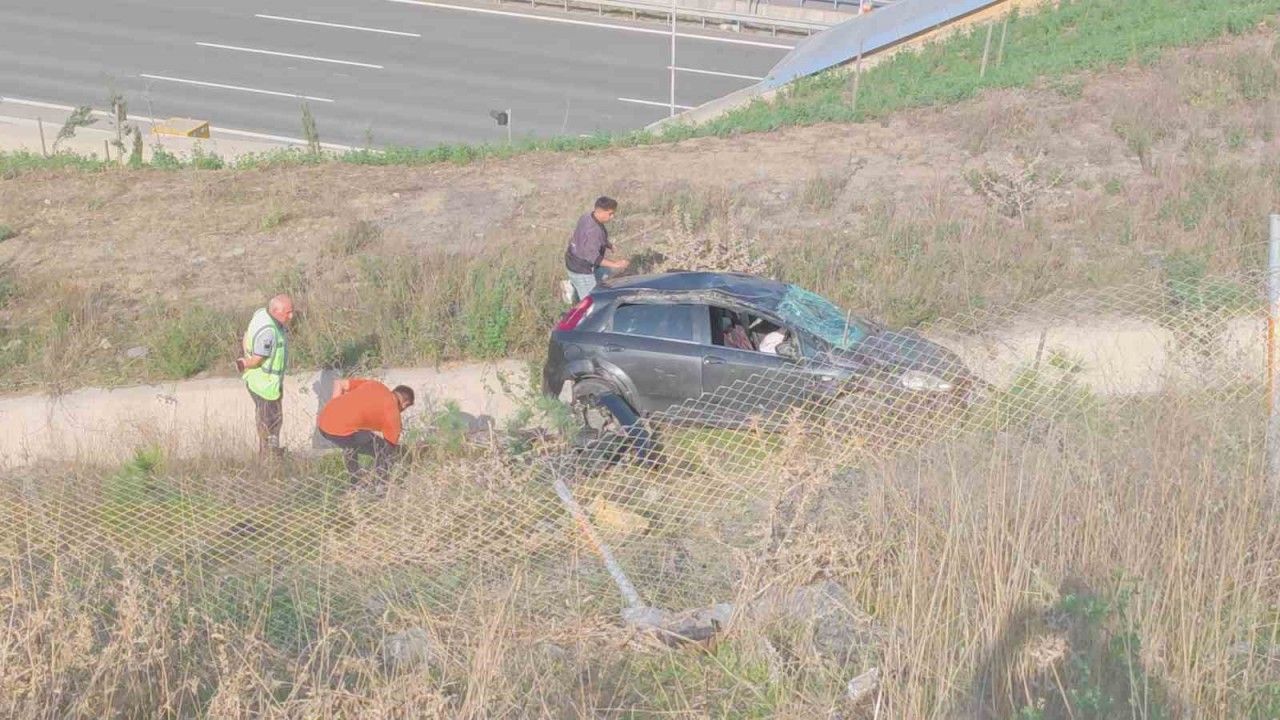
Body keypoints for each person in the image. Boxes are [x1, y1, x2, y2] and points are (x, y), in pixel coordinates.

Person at [317, 378, 415, 487]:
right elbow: (387, 450)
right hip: (338, 432)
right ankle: (379, 489)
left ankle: (356, 480)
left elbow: (339, 383)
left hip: (322, 421)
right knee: (383, 452)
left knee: (357, 437)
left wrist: (335, 408)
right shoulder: (393, 417)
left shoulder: (375, 385)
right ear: (405, 404)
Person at [236, 294, 294, 460]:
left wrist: (245, 351)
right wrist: (244, 362)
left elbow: (247, 335)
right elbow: (256, 360)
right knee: (272, 421)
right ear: (275, 311)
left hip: (256, 380)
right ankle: (269, 457)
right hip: (267, 385)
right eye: (288, 313)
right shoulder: (269, 332)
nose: (291, 316)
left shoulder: (261, 314)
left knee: (264, 418)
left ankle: (267, 452)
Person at [565, 196, 629, 302]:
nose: (612, 217)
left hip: (573, 259)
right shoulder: (593, 231)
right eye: (610, 214)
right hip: (581, 269)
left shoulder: (587, 216)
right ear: (600, 211)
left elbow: (593, 239)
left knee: (605, 273)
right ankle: (577, 296)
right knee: (590, 302)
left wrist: (608, 245)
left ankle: (573, 285)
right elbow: (593, 258)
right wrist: (616, 264)